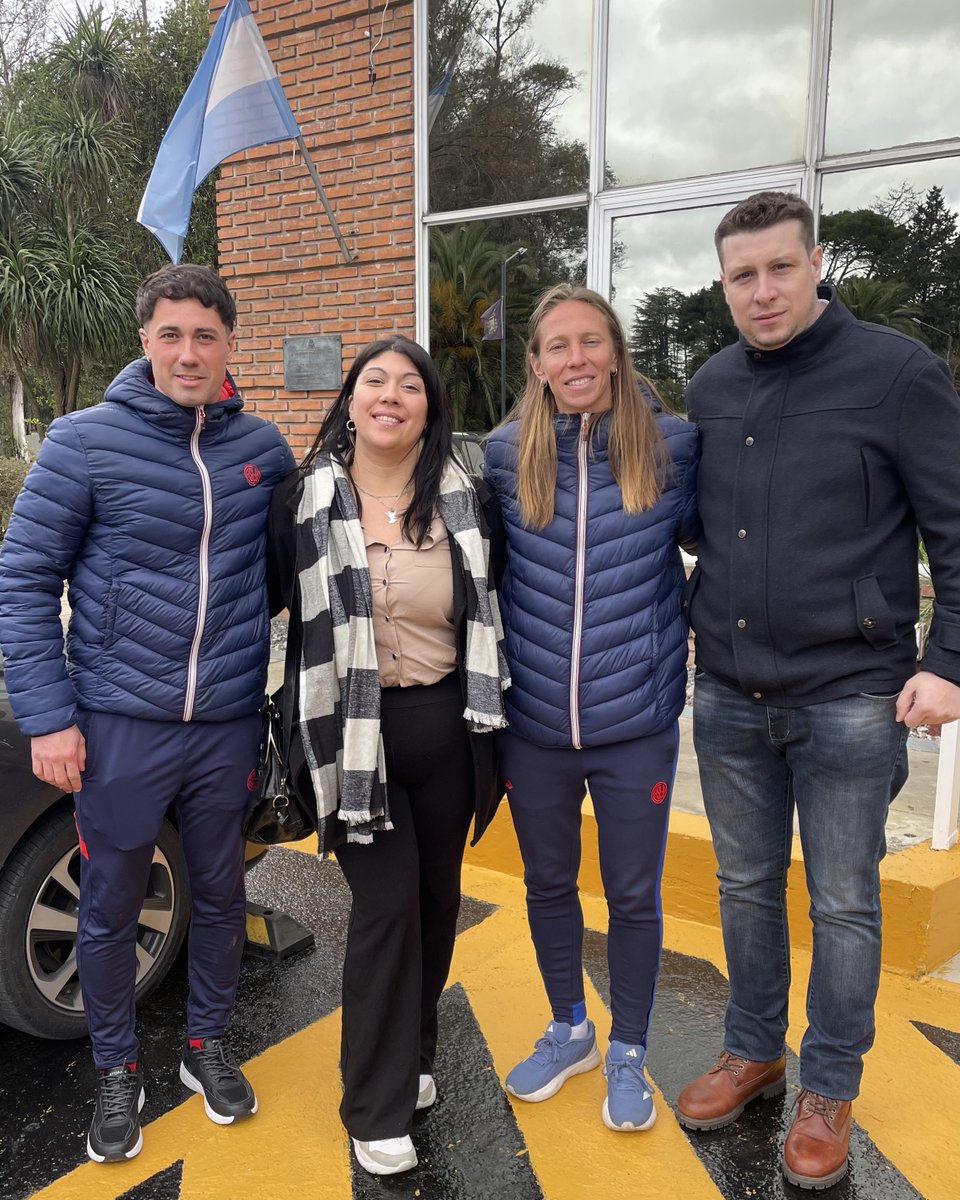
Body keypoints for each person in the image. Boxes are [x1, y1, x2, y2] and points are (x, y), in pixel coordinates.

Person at [676, 191, 960, 1190]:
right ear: (724, 283)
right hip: (731, 693)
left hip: (851, 690)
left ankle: (829, 1085)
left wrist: (947, 659)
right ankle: (754, 1051)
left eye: (779, 269)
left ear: (816, 262)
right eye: (741, 276)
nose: (761, 291)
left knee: (842, 904)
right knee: (745, 888)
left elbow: (954, 525)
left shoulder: (895, 373)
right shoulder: (710, 385)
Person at [0, 265, 294, 1163]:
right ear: (145, 342)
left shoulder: (264, 449)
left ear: (230, 345)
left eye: (206, 336)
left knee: (218, 891)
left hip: (228, 721)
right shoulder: (83, 443)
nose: (188, 352)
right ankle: (118, 1070)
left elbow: (286, 577)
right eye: (171, 334)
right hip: (121, 722)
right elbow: (21, 579)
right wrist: (50, 717)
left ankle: (206, 1048)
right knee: (111, 901)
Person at [267, 335, 509, 1177]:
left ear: (430, 408)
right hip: (348, 742)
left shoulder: (466, 497)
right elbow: (267, 606)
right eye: (377, 381)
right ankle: (373, 1105)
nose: (392, 396)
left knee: (438, 903)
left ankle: (414, 1054)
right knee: (386, 912)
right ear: (352, 398)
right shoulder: (302, 499)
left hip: (452, 734)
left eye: (411, 386)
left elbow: (491, 605)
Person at [483, 284, 700, 1133]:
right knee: (546, 883)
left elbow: (728, 547)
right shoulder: (506, 454)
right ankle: (570, 1024)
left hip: (636, 723)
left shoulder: (674, 444)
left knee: (633, 893)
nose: (576, 359)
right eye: (558, 346)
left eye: (590, 342)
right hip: (533, 724)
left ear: (615, 350)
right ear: (535, 364)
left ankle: (630, 1050)